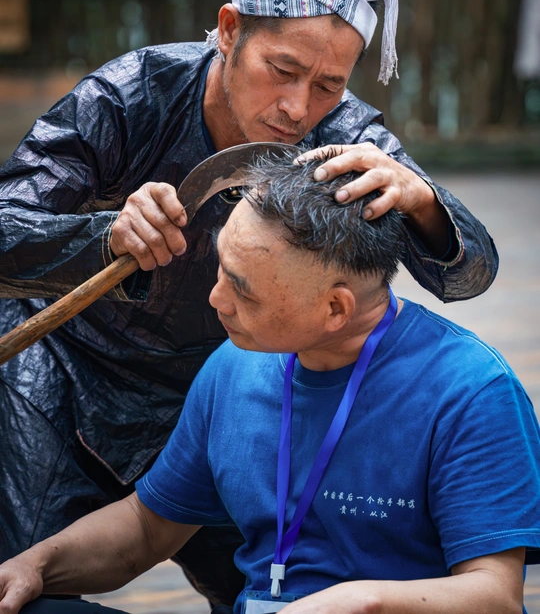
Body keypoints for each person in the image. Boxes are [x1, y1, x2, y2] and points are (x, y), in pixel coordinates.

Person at [0, 0, 499, 606]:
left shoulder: (348, 139)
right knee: (22, 586)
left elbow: (469, 274)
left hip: (233, 393)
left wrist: (422, 201)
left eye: (328, 85)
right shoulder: (130, 96)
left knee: (276, 593)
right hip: (67, 378)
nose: (298, 108)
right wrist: (105, 236)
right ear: (230, 31)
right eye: (282, 69)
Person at [0, 153, 537, 614]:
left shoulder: (469, 391)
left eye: (243, 290)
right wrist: (34, 566)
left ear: (335, 309)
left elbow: (495, 596)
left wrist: (361, 602)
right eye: (220, 269)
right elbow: (147, 529)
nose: (216, 299)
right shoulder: (235, 366)